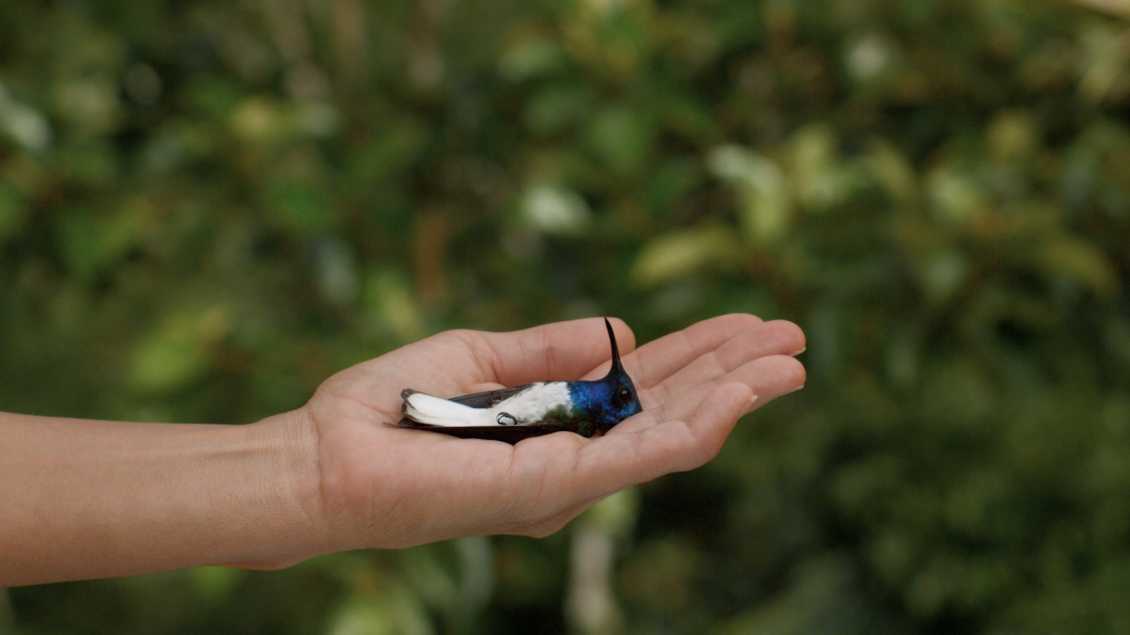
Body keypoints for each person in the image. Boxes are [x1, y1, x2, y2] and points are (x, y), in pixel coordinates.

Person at [0, 315, 805, 587]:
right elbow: (520, 415)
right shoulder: (575, 402)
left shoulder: (580, 403)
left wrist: (305, 470)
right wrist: (309, 470)